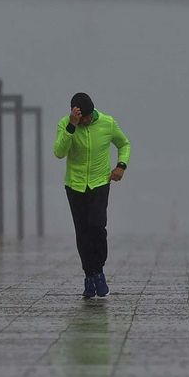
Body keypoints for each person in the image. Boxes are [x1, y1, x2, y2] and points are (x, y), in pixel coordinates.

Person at [54, 92, 131, 298]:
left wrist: (121, 166)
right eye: (81, 118)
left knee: (97, 226)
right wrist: (71, 126)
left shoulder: (107, 123)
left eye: (87, 117)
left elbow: (124, 144)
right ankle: (90, 275)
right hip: (75, 185)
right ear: (74, 114)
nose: (85, 121)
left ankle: (99, 269)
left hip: (99, 183)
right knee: (82, 232)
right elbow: (59, 152)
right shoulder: (66, 124)